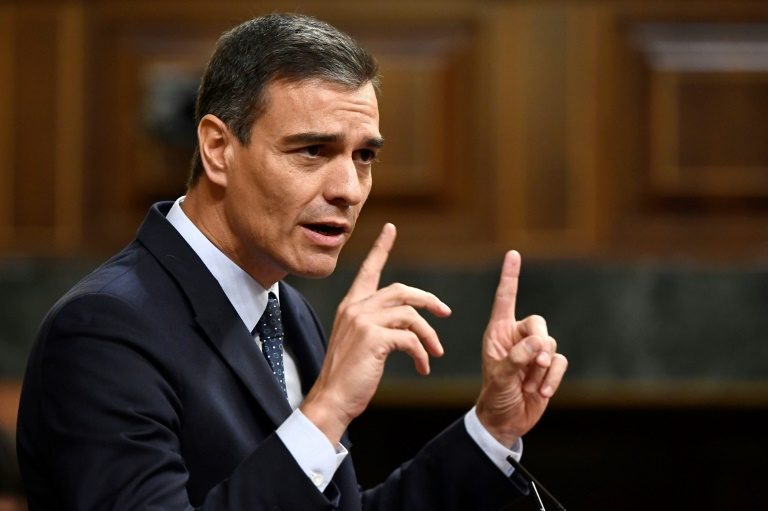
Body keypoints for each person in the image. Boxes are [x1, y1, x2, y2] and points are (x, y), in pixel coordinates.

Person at [16, 12, 567, 510]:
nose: (348, 188)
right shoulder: (103, 328)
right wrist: (326, 409)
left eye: (364, 156)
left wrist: (491, 430)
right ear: (218, 150)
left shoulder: (287, 312)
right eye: (312, 151)